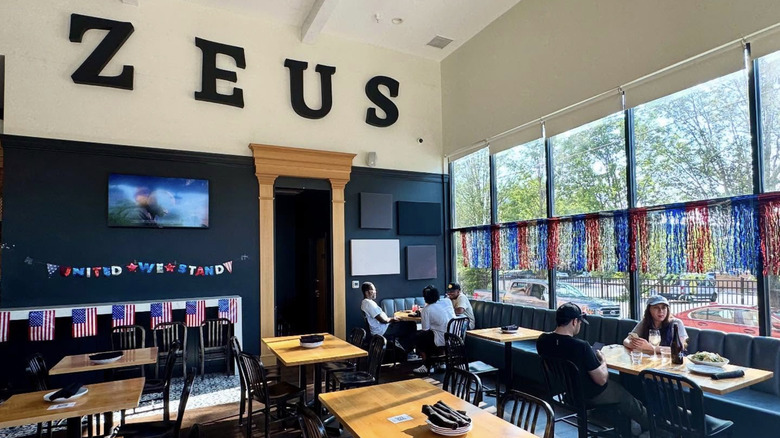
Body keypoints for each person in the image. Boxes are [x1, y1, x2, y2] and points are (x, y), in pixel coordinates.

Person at [537, 302, 648, 435]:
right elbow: (601, 380)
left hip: (565, 392)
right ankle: (652, 426)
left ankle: (624, 430)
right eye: (580, 322)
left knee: (618, 392)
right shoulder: (581, 346)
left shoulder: (542, 340)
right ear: (574, 321)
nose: (580, 325)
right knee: (625, 396)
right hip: (588, 395)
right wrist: (602, 360)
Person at [359, 282, 415, 352]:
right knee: (411, 325)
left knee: (406, 324)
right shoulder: (368, 303)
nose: (375, 292)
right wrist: (392, 319)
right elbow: (383, 320)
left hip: (382, 328)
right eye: (373, 290)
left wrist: (392, 319)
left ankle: (401, 347)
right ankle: (408, 351)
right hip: (383, 330)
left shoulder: (366, 303)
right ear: (367, 292)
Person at [413, 285, 456, 375]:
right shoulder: (447, 301)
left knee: (419, 337)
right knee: (431, 335)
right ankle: (442, 363)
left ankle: (427, 365)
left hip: (441, 338)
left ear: (425, 298)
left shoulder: (427, 309)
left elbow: (425, 329)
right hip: (455, 337)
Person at [623, 295, 688, 354]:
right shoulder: (645, 322)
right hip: (651, 361)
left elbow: (679, 348)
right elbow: (626, 340)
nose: (661, 311)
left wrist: (649, 347)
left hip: (673, 362)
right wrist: (634, 344)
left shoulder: (676, 323)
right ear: (649, 310)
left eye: (664, 307)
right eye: (656, 307)